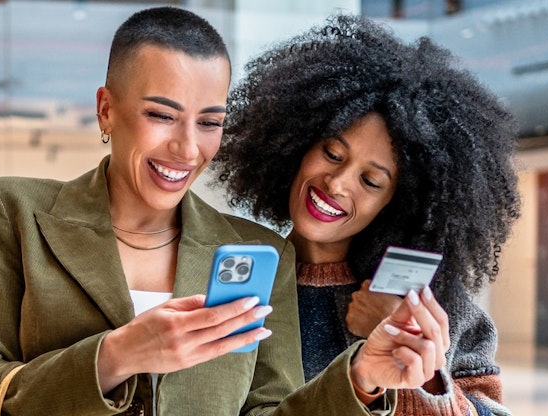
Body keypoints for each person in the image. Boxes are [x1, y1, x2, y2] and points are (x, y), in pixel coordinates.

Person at [0, 7, 443, 416]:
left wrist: (361, 379)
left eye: (209, 122)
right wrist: (117, 355)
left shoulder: (259, 253)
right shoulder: (11, 212)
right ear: (106, 110)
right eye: (161, 115)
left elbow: (272, 412)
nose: (186, 149)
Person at [214, 15, 520, 416]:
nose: (338, 183)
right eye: (332, 153)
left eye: (371, 181)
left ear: (396, 202)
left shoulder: (435, 303)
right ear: (296, 144)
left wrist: (414, 364)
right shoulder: (242, 281)